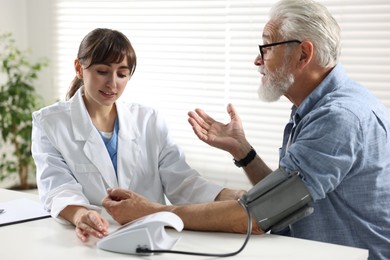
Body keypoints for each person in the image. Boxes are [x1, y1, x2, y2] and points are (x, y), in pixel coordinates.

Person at [103, 1, 390, 260]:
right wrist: (244, 152)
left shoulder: (338, 118)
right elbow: (286, 200)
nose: (257, 60)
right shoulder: (317, 108)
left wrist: (151, 213)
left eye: (266, 48)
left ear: (303, 54)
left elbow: (258, 213)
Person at [31, 28, 245, 242]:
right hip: (93, 238)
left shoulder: (148, 120)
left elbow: (181, 181)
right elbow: (58, 188)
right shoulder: (49, 122)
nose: (112, 84)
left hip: (151, 237)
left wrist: (230, 196)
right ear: (79, 68)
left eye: (122, 74)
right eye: (102, 71)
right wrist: (81, 215)